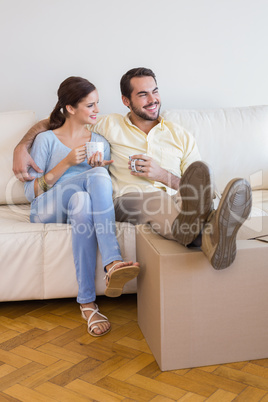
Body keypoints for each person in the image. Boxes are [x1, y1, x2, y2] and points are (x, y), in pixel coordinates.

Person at [14, 68, 252, 271]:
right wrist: (22, 145)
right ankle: (213, 225)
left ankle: (211, 235)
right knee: (155, 199)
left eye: (155, 91)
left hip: (179, 200)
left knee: (191, 194)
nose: (153, 99)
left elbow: (204, 189)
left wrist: (163, 175)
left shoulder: (181, 135)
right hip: (127, 200)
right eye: (143, 94)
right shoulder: (108, 125)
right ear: (126, 101)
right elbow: (62, 119)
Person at [23, 76, 140, 337]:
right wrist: (65, 163)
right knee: (95, 178)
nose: (97, 110)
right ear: (70, 108)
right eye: (90, 105)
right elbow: (30, 194)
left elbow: (100, 194)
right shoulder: (46, 140)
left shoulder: (99, 141)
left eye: (98, 103)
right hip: (46, 209)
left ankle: (87, 304)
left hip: (78, 208)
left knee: (84, 201)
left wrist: (99, 171)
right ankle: (113, 261)